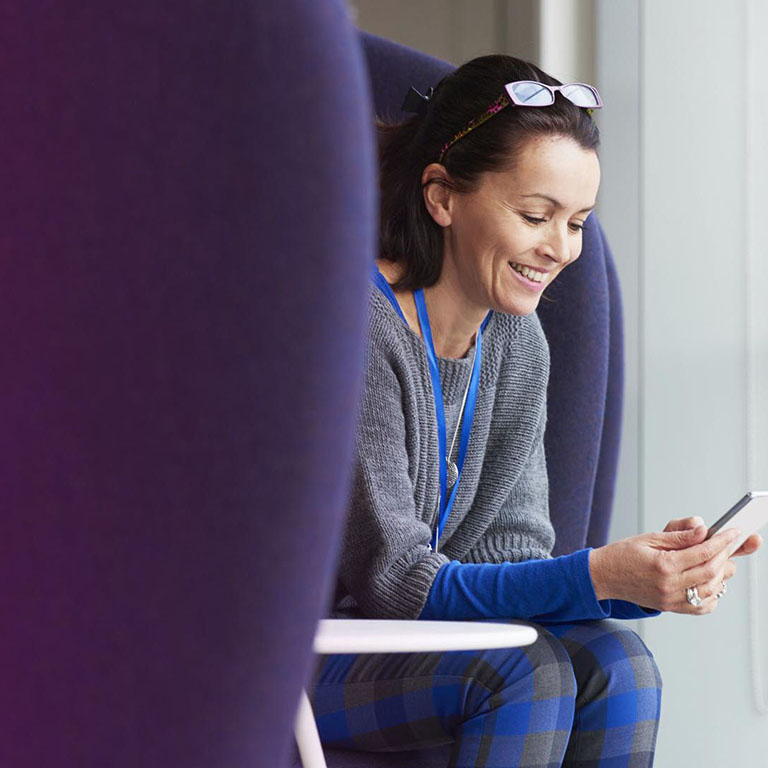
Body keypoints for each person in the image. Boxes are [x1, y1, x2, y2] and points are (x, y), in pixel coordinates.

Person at [309, 55, 763, 767]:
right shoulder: (360, 328)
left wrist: (645, 580)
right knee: (526, 672)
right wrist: (602, 576)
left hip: (425, 647)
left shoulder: (518, 340)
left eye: (577, 222)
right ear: (442, 195)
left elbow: (510, 556)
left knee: (621, 665)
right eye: (535, 215)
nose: (560, 249)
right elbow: (396, 585)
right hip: (304, 654)